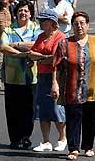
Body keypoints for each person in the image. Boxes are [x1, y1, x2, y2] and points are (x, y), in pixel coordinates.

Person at [51, 11, 95, 160]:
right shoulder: (64, 44)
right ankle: (73, 148)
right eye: (76, 23)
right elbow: (57, 67)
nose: (79, 26)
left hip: (93, 88)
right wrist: (55, 85)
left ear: (88, 25)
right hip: (71, 89)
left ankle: (88, 146)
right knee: (73, 118)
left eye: (82, 23)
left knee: (91, 119)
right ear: (72, 26)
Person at [0, 0, 42, 149]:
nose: (23, 13)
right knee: (12, 109)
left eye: (26, 10)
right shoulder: (8, 30)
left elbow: (38, 45)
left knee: (30, 108)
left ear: (30, 13)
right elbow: (3, 47)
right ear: (16, 13)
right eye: (20, 11)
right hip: (12, 75)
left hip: (31, 75)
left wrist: (16, 45)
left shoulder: (36, 28)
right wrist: (22, 54)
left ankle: (26, 136)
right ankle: (15, 138)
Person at [29, 9, 67, 152]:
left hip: (55, 76)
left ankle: (62, 138)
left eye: (44, 21)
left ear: (52, 23)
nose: (41, 23)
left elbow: (56, 59)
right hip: (42, 76)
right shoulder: (40, 37)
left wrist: (40, 57)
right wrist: (42, 57)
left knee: (57, 108)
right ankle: (45, 141)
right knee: (42, 109)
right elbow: (31, 55)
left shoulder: (60, 37)